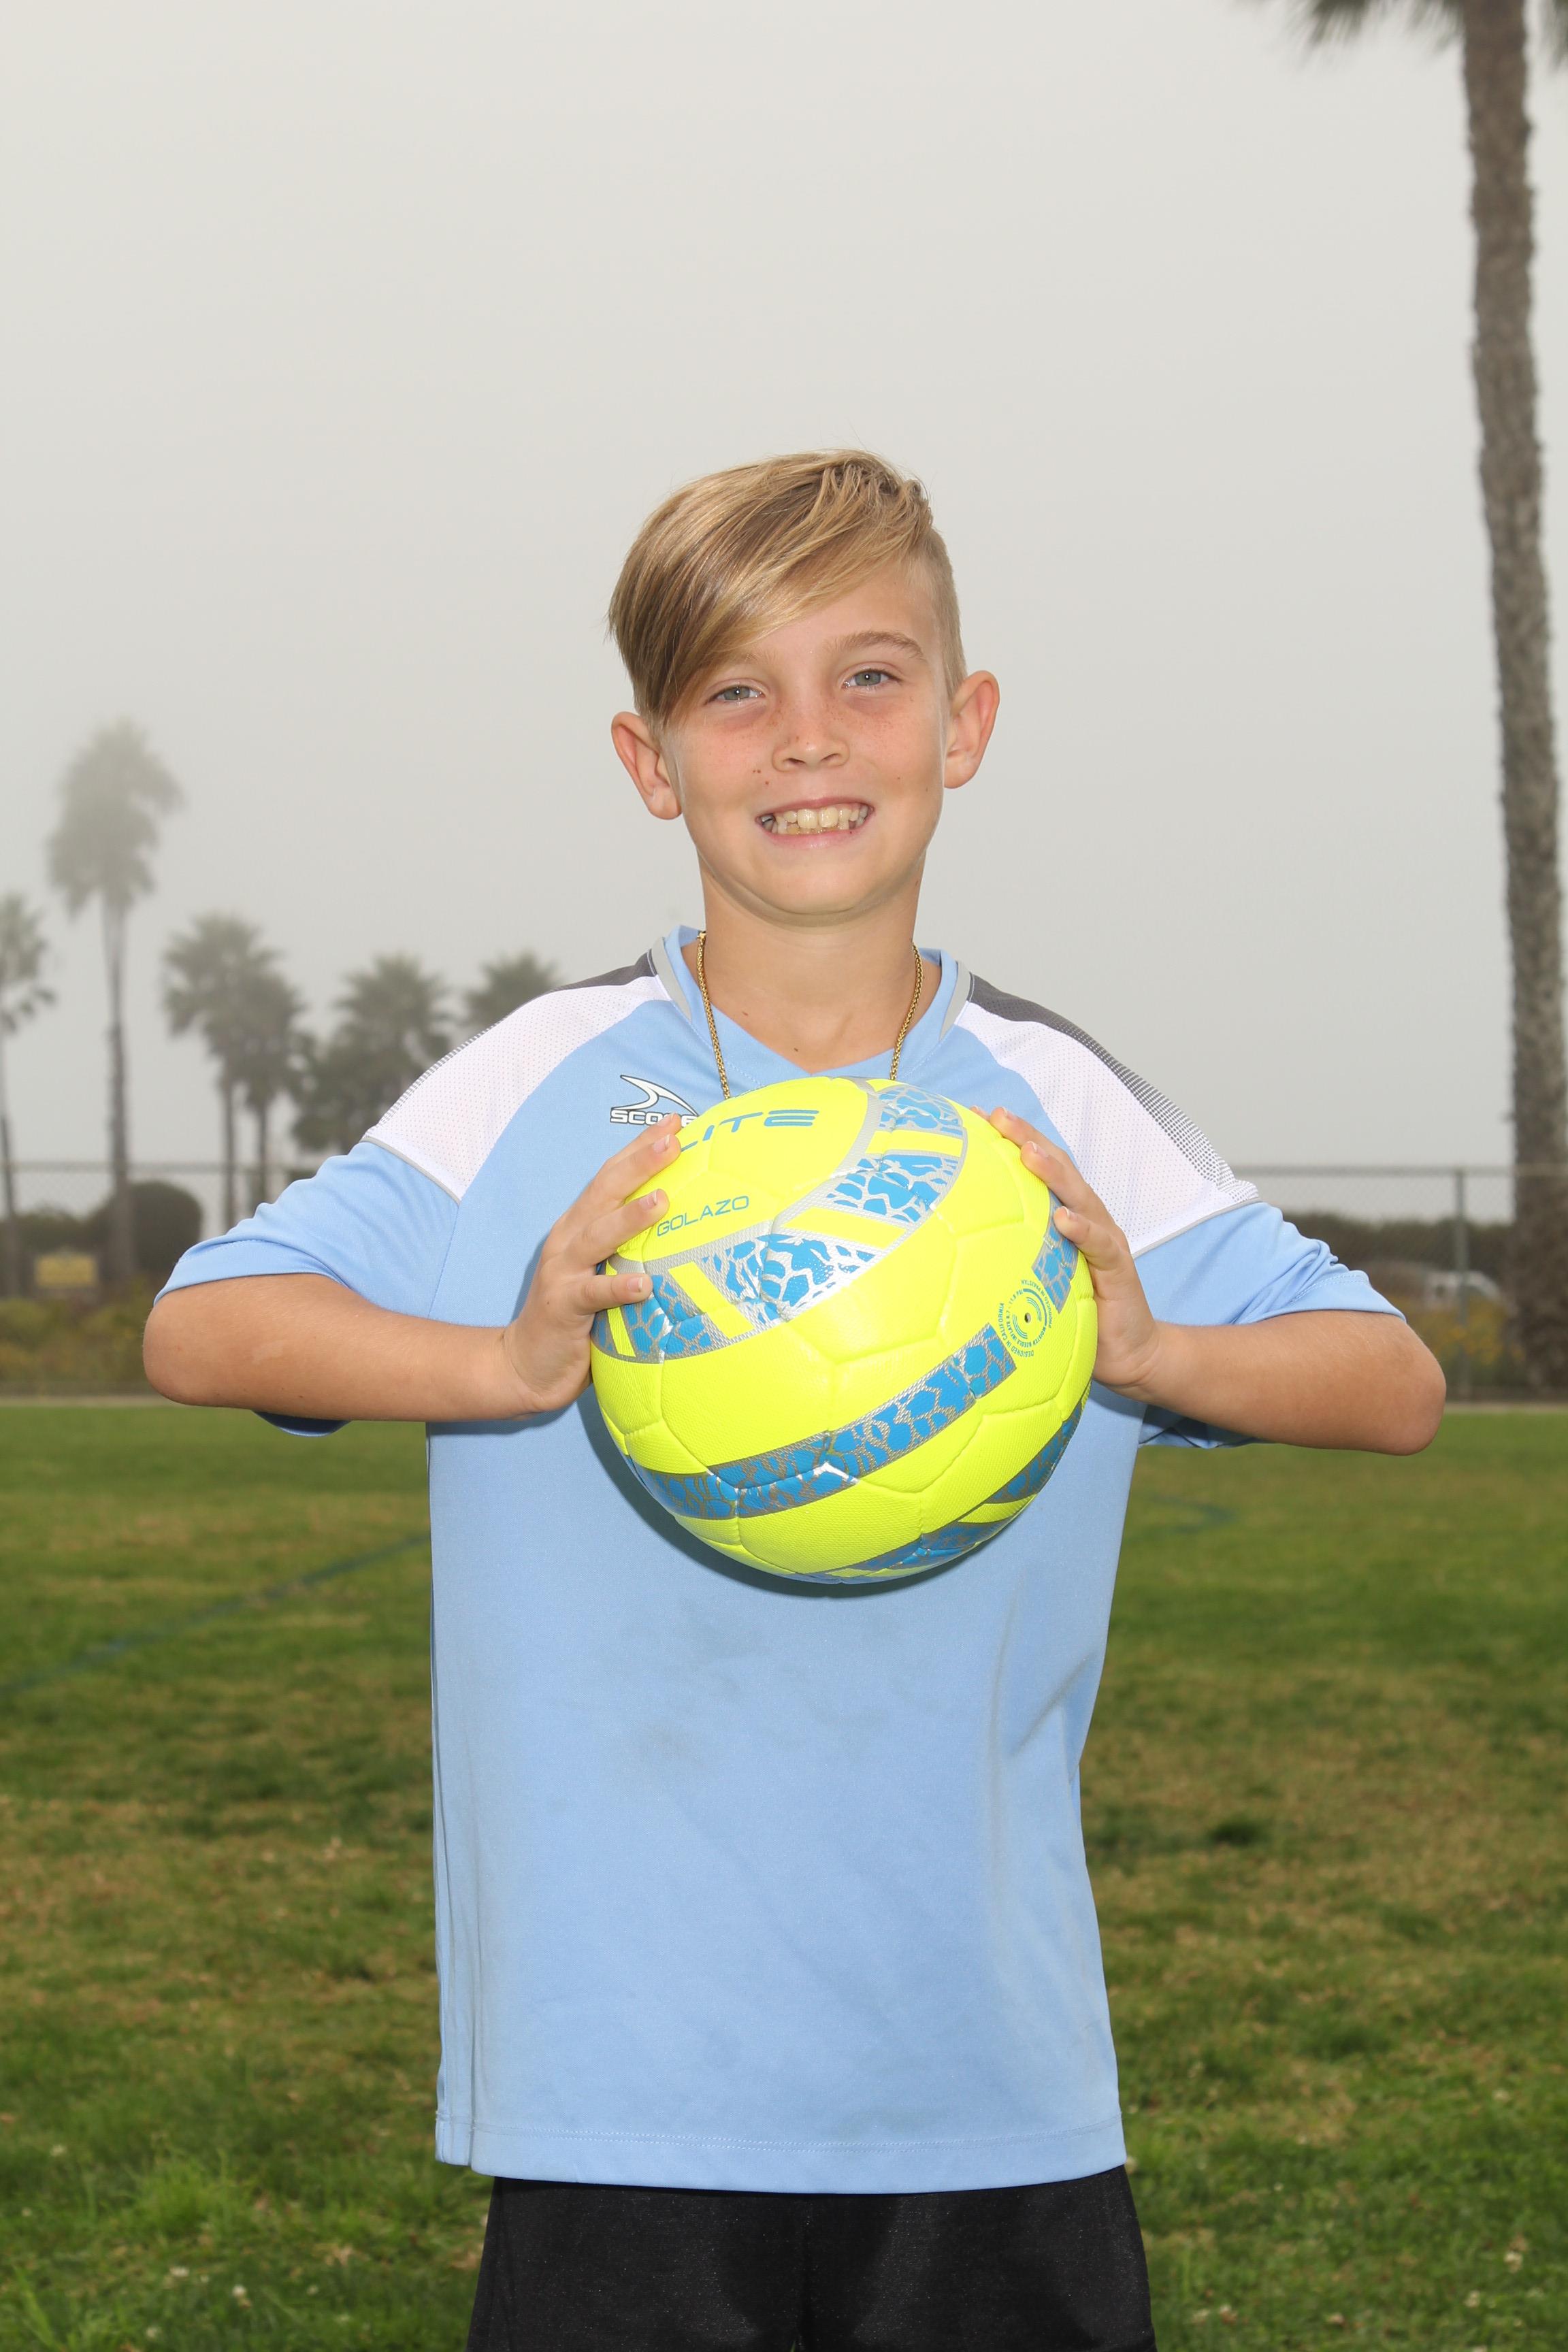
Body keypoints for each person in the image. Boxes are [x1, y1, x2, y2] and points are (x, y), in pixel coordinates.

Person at [144, 451, 1445, 2352]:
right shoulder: (546, 1074)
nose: (808, 737)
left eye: (870, 677)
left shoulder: (1051, 1105)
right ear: (651, 759)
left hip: (987, 2085)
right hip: (622, 2092)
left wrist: (1153, 1350)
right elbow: (205, 1324)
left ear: (965, 724)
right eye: (737, 690)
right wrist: (500, 1365)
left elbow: (1395, 1382)